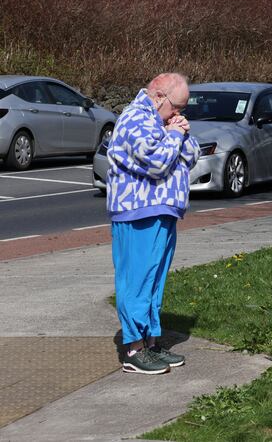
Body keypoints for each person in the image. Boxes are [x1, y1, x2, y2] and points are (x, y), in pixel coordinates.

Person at [106, 73, 200, 375]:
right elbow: (158, 163)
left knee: (153, 281)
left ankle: (151, 342)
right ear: (158, 96)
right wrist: (174, 135)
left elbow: (192, 155)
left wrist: (180, 133)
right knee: (136, 280)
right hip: (138, 212)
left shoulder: (164, 121)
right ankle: (133, 350)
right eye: (176, 107)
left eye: (183, 109)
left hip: (162, 211)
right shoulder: (135, 119)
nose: (179, 114)